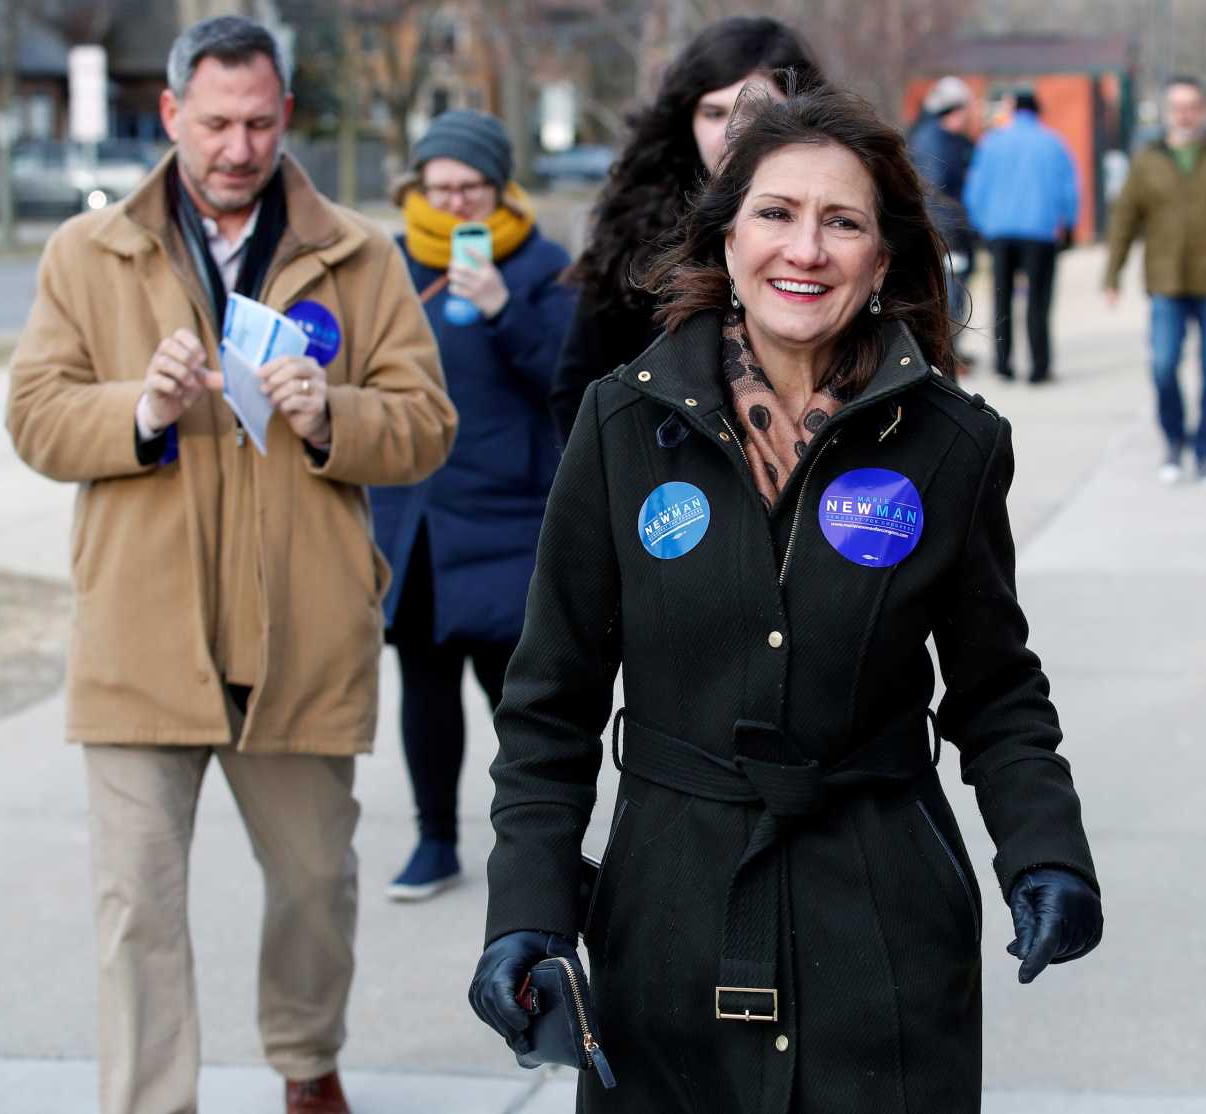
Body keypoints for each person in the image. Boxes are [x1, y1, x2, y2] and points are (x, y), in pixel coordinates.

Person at [469, 85, 1102, 1113]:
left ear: (883, 259)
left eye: (841, 221)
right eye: (776, 214)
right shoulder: (622, 426)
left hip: (883, 916)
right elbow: (550, 701)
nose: (804, 249)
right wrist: (525, 910)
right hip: (668, 914)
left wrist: (1044, 849)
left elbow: (996, 688)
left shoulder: (953, 444)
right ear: (726, 239)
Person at [4, 16, 457, 1114]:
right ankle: (151, 1102)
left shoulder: (358, 255)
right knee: (137, 910)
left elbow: (427, 425)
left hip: (299, 637)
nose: (238, 145)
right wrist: (142, 409)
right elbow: (35, 415)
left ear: (286, 116)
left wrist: (330, 414)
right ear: (170, 116)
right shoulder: (87, 251)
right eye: (215, 122)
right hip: (141, 641)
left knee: (314, 887)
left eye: (259, 122)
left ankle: (308, 1063)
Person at [371, 111, 574, 901]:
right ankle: (433, 842)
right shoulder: (388, 264)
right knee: (423, 685)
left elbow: (570, 381)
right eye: (440, 186)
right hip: (415, 510)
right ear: (416, 187)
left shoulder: (540, 264)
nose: (454, 202)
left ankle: (535, 849)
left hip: (510, 513)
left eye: (472, 187)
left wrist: (501, 307)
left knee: (519, 703)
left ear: (499, 188)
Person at [548, 15, 823, 442]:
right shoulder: (639, 231)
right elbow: (580, 388)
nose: (732, 133)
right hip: (667, 493)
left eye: (755, 111)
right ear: (687, 121)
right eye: (713, 113)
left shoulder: (838, 230)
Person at [1103, 75, 1206, 491]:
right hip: (1167, 281)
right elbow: (1125, 217)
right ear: (1166, 112)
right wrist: (1113, 273)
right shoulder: (1148, 159)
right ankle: (1175, 441)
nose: (1185, 114)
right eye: (1177, 106)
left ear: (1205, 109)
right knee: (1162, 367)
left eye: (1193, 105)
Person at [962, 89, 1079, 383]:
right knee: (1038, 301)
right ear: (1038, 111)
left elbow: (975, 190)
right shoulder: (1053, 142)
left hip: (1000, 232)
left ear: (1014, 111)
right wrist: (1069, 225)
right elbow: (1070, 188)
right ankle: (1039, 366)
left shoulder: (992, 142)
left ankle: (1004, 363)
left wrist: (981, 226)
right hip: (1041, 232)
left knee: (1001, 299)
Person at [908, 75, 977, 372]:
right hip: (946, 230)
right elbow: (934, 191)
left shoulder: (931, 137)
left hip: (946, 228)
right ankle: (947, 351)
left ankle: (950, 349)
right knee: (950, 291)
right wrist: (952, 229)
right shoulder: (935, 142)